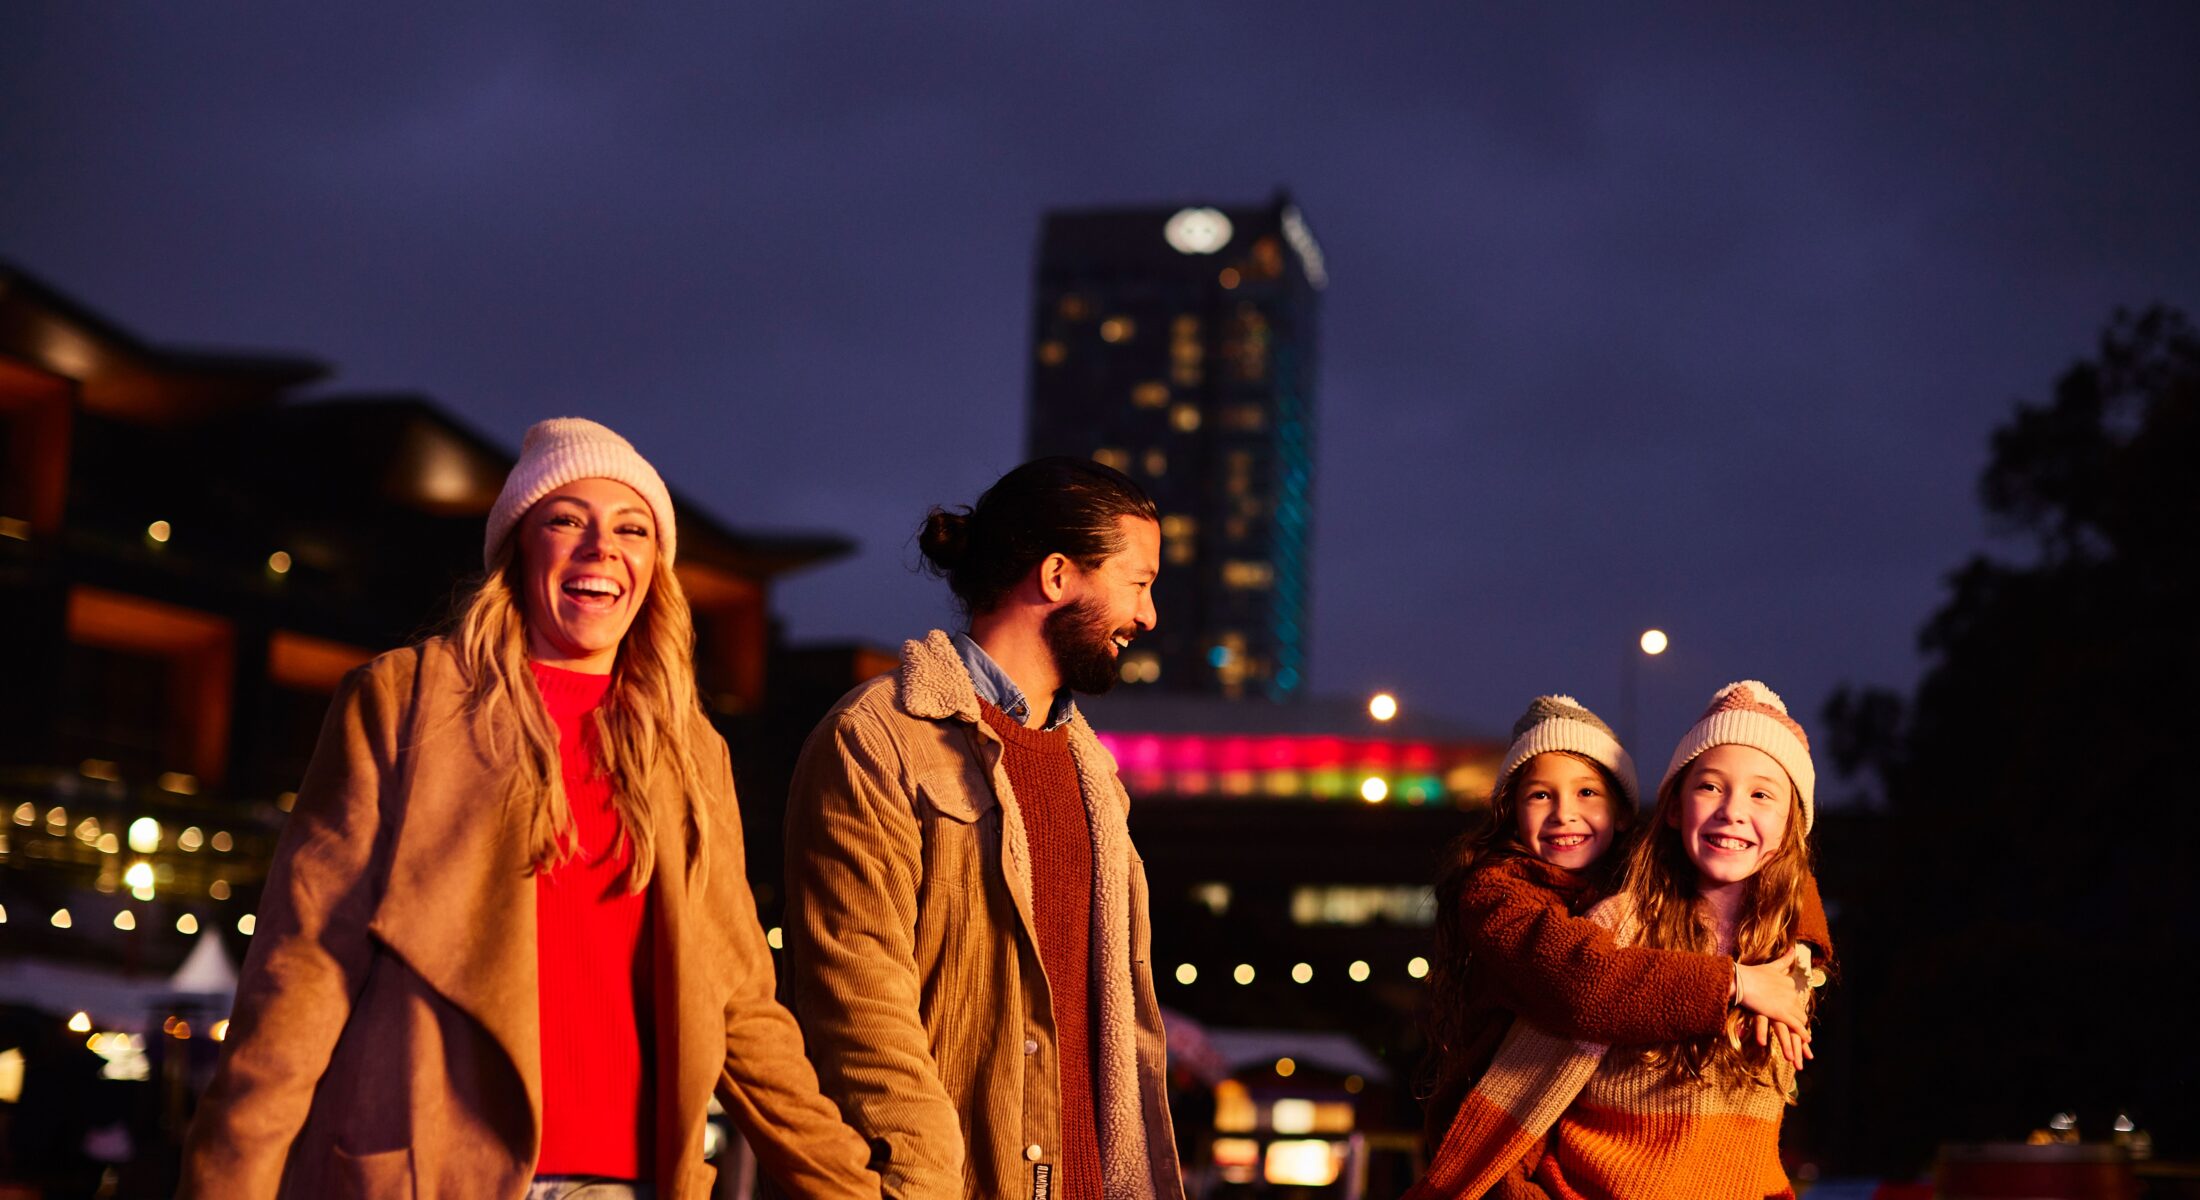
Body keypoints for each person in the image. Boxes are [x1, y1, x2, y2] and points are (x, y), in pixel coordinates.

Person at [179, 418, 878, 1200]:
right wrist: (226, 1178)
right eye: (566, 520)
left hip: (628, 1186)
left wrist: (853, 1189)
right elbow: (305, 963)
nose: (601, 548)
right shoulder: (407, 702)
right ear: (518, 547)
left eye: (631, 528)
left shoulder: (689, 752)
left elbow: (744, 1008)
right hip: (430, 1175)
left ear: (654, 566)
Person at [781, 457, 1182, 1200]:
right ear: (1058, 575)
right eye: (1139, 582)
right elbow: (858, 1003)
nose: (1149, 616)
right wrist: (925, 1181)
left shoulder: (1095, 775)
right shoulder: (879, 737)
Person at [1417, 681, 1827, 1199]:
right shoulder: (1505, 894)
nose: (1565, 813)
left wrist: (1801, 948)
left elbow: (1783, 870)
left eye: (1588, 792)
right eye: (1541, 794)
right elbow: (1582, 985)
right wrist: (1739, 983)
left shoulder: (1755, 932)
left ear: (1624, 814)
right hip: (1498, 1137)